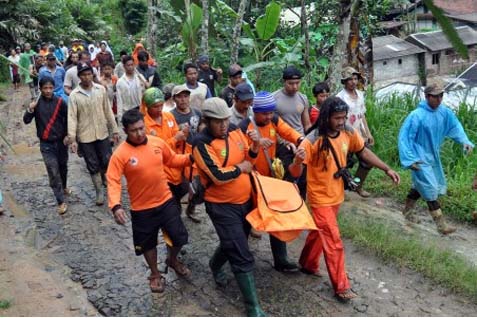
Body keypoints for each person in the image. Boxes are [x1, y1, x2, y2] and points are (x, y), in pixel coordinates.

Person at [289, 96, 400, 302]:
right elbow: (295, 171)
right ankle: (341, 286)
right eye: (337, 118)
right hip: (320, 198)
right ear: (326, 117)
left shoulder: (348, 131)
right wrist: (296, 161)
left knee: (320, 233)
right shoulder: (312, 140)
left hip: (337, 195)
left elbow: (363, 151)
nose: (341, 121)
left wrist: (387, 168)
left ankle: (307, 263)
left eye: (343, 117)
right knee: (333, 240)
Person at [192, 97, 265, 316]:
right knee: (241, 252)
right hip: (222, 206)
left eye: (225, 120)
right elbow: (217, 176)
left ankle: (215, 264)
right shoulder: (201, 143)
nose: (223, 125)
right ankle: (253, 307)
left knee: (235, 240)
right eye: (217, 122)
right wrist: (241, 168)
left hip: (245, 200)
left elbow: (249, 159)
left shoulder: (234, 130)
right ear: (207, 120)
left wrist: (254, 145)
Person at [107, 109, 191, 293]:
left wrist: (192, 159)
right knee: (148, 244)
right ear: (125, 131)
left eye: (141, 128)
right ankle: (154, 273)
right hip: (141, 208)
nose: (139, 134)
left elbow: (173, 160)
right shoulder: (120, 154)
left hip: (166, 200)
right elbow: (113, 180)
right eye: (133, 130)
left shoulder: (157, 143)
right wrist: (116, 205)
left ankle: (172, 259)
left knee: (179, 237)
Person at [239, 91, 304, 272]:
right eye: (264, 113)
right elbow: (241, 155)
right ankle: (239, 257)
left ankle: (281, 259)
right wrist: (257, 144)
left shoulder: (274, 121)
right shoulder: (244, 127)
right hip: (250, 181)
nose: (268, 117)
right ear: (255, 111)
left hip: (270, 180)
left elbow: (289, 132)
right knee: (246, 220)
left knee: (277, 216)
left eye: (270, 113)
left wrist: (301, 140)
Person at [398, 81, 474, 234]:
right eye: (435, 96)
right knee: (430, 188)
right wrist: (409, 159)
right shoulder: (416, 115)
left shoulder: (444, 112)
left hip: (433, 155)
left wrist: (464, 141)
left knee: (420, 186)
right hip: (418, 157)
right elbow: (405, 138)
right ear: (426, 96)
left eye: (441, 96)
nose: (439, 99)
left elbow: (455, 126)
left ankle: (407, 211)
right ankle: (441, 225)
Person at [68, 62, 119, 206]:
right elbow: (72, 117)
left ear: (93, 74)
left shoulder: (100, 90)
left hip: (102, 133)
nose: (87, 77)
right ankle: (99, 192)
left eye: (89, 74)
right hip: (85, 136)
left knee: (107, 160)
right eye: (83, 75)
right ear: (79, 77)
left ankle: (105, 180)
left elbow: (108, 111)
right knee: (92, 164)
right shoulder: (74, 95)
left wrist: (114, 130)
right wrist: (73, 139)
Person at [23, 76, 70, 214]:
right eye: (45, 88)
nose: (48, 91)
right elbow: (26, 120)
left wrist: (68, 135)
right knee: (53, 171)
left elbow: (68, 118)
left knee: (63, 167)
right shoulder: (36, 104)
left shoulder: (60, 102)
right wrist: (30, 110)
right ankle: (60, 201)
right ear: (40, 89)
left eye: (50, 88)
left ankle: (65, 186)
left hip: (61, 142)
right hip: (46, 145)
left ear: (54, 88)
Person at [141, 87, 189, 208]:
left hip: (175, 165)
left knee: (179, 195)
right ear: (147, 106)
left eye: (161, 105)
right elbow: (154, 149)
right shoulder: (144, 125)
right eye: (155, 106)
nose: (159, 109)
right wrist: (175, 139)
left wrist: (182, 135)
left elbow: (177, 135)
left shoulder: (168, 117)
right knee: (168, 203)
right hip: (160, 170)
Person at [273, 65, 311, 199]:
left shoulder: (303, 98)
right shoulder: (275, 99)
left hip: (301, 143)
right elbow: (272, 127)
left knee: (303, 179)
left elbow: (306, 124)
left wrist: (309, 141)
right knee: (287, 177)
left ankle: (301, 206)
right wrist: (284, 142)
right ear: (284, 82)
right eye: (291, 83)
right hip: (285, 145)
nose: (294, 87)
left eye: (297, 83)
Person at [336, 66, 374, 197]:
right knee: (342, 164)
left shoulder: (360, 95)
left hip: (360, 135)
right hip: (345, 134)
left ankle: (357, 185)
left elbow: (362, 115)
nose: (353, 81)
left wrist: (368, 133)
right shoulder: (340, 97)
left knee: (367, 162)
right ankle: (340, 190)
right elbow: (339, 119)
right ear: (344, 81)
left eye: (355, 78)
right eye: (350, 79)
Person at [170, 84, 204, 222]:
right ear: (174, 99)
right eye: (179, 97)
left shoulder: (196, 112)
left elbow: (202, 126)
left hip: (195, 153)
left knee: (196, 184)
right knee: (179, 184)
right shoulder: (170, 116)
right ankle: (176, 208)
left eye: (185, 96)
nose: (183, 99)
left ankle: (191, 207)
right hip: (178, 154)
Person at [116, 55, 148, 121]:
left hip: (140, 108)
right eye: (128, 65)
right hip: (128, 110)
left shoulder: (139, 77)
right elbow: (119, 100)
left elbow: (146, 89)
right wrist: (120, 116)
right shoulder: (120, 82)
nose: (130, 67)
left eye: (132, 65)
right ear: (124, 66)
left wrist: (143, 81)